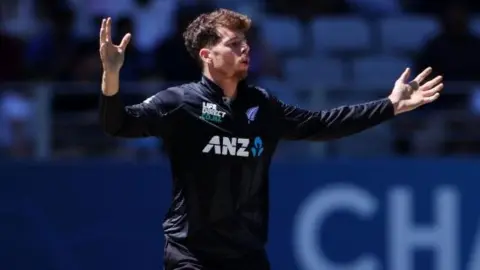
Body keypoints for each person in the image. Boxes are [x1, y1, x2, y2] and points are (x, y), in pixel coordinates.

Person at [98, 9, 443, 270]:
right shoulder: (178, 103)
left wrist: (390, 106)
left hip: (247, 253)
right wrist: (111, 74)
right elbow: (118, 124)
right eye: (233, 44)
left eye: (245, 43)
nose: (245, 49)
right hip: (191, 253)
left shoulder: (263, 105)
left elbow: (322, 124)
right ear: (207, 55)